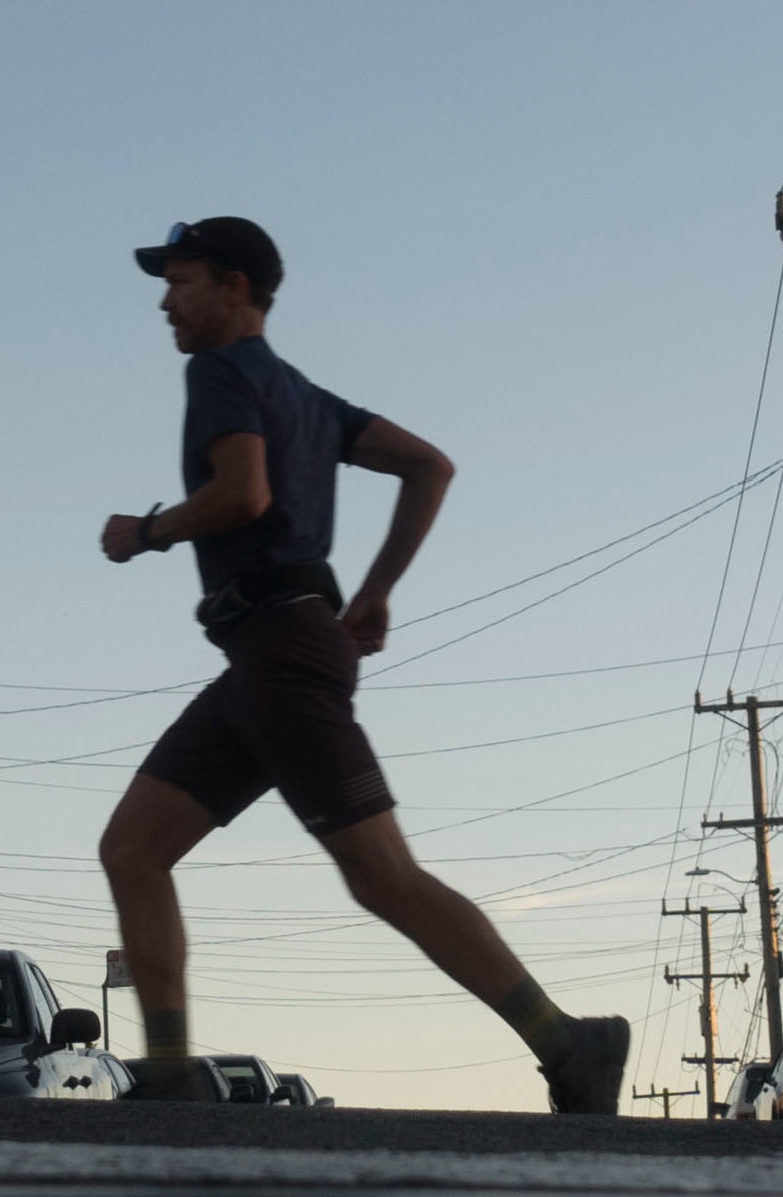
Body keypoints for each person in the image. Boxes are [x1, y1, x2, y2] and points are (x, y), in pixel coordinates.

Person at [94, 216, 631, 1116]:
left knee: (383, 876)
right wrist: (375, 593)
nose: (165, 301)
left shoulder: (220, 371)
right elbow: (430, 466)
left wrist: (147, 532)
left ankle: (570, 1042)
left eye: (181, 282)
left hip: (283, 656)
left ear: (234, 288)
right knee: (133, 850)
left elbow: (245, 494)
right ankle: (171, 1075)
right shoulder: (307, 398)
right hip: (267, 656)